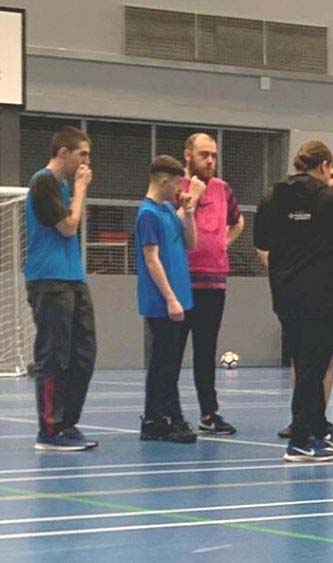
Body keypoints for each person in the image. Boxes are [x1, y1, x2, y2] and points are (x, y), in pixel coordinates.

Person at [255, 141, 333, 462]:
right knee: (313, 368)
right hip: (323, 295)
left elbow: (261, 241)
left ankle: (317, 430)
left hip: (286, 294)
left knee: (305, 364)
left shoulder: (271, 196)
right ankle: (300, 440)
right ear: (325, 164)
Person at [24, 126, 98, 451]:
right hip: (49, 279)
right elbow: (68, 227)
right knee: (54, 355)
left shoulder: (64, 187)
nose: (86, 162)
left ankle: (68, 423)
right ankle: (49, 431)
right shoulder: (44, 182)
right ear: (64, 153)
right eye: (82, 154)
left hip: (73, 277)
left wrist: (76, 190)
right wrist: (81, 190)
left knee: (83, 353)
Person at [174, 133, 244, 436]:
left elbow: (238, 222)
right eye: (204, 155)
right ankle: (169, 413)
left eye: (214, 155)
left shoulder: (223, 189)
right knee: (172, 351)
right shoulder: (176, 187)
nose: (210, 161)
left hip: (213, 282)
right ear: (188, 155)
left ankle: (209, 412)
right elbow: (172, 225)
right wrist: (196, 195)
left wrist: (221, 244)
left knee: (206, 350)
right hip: (181, 281)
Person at [136, 156, 204, 444]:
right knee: (164, 363)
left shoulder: (167, 209)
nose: (180, 189)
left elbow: (191, 243)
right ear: (163, 180)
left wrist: (189, 212)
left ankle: (162, 417)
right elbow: (151, 260)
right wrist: (170, 298)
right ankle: (161, 417)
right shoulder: (147, 214)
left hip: (180, 296)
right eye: (177, 183)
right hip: (162, 301)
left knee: (169, 361)